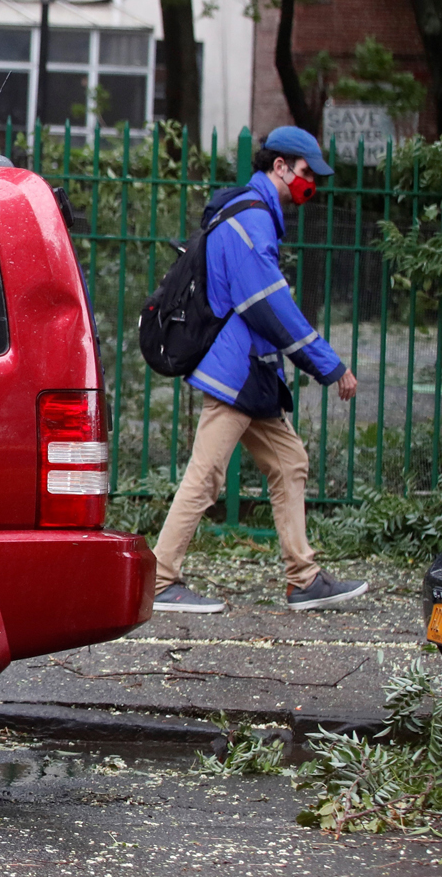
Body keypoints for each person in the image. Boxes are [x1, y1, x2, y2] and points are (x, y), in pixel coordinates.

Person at [152, 126, 366, 613]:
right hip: (236, 374)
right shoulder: (251, 221)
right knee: (205, 477)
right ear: (281, 167)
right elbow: (268, 305)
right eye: (307, 173)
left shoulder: (255, 216)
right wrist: (330, 366)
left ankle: (303, 578)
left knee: (289, 463)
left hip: (253, 371)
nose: (311, 184)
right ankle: (161, 579)